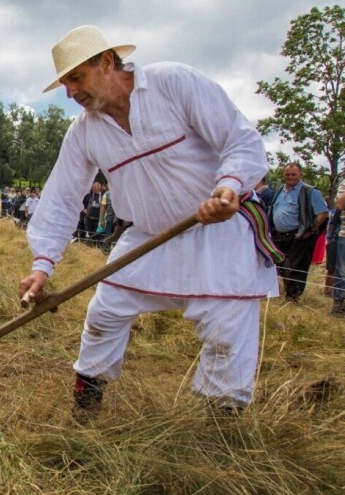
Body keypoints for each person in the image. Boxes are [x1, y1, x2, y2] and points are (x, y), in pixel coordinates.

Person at [19, 25, 278, 419]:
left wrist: (228, 186)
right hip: (147, 238)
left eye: (76, 77)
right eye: (65, 83)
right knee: (104, 312)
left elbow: (239, 139)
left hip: (219, 232)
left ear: (106, 62)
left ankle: (223, 431)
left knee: (227, 333)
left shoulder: (172, 83)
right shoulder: (83, 132)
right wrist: (42, 266)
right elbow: (61, 199)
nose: (71, 93)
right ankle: (86, 408)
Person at [269, 163, 329, 301]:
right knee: (281, 265)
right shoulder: (279, 191)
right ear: (283, 175)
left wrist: (310, 230)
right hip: (279, 236)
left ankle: (293, 298)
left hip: (298, 235)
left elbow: (322, 213)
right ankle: (285, 294)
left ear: (300, 175)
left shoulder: (309, 191)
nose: (290, 177)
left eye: (293, 174)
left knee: (295, 267)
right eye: (287, 174)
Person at [331, 173, 345, 316]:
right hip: (344, 235)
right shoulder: (343, 184)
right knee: (342, 272)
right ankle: (339, 305)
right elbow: (340, 204)